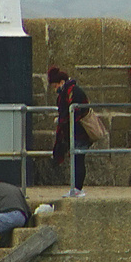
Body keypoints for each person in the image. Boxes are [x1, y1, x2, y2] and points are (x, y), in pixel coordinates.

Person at [49, 66, 93, 198]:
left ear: (61, 82)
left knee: (78, 159)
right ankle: (75, 188)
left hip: (80, 132)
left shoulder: (73, 92)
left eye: (55, 86)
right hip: (74, 132)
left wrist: (64, 120)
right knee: (76, 159)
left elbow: (77, 111)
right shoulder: (68, 92)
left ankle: (78, 188)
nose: (55, 89)